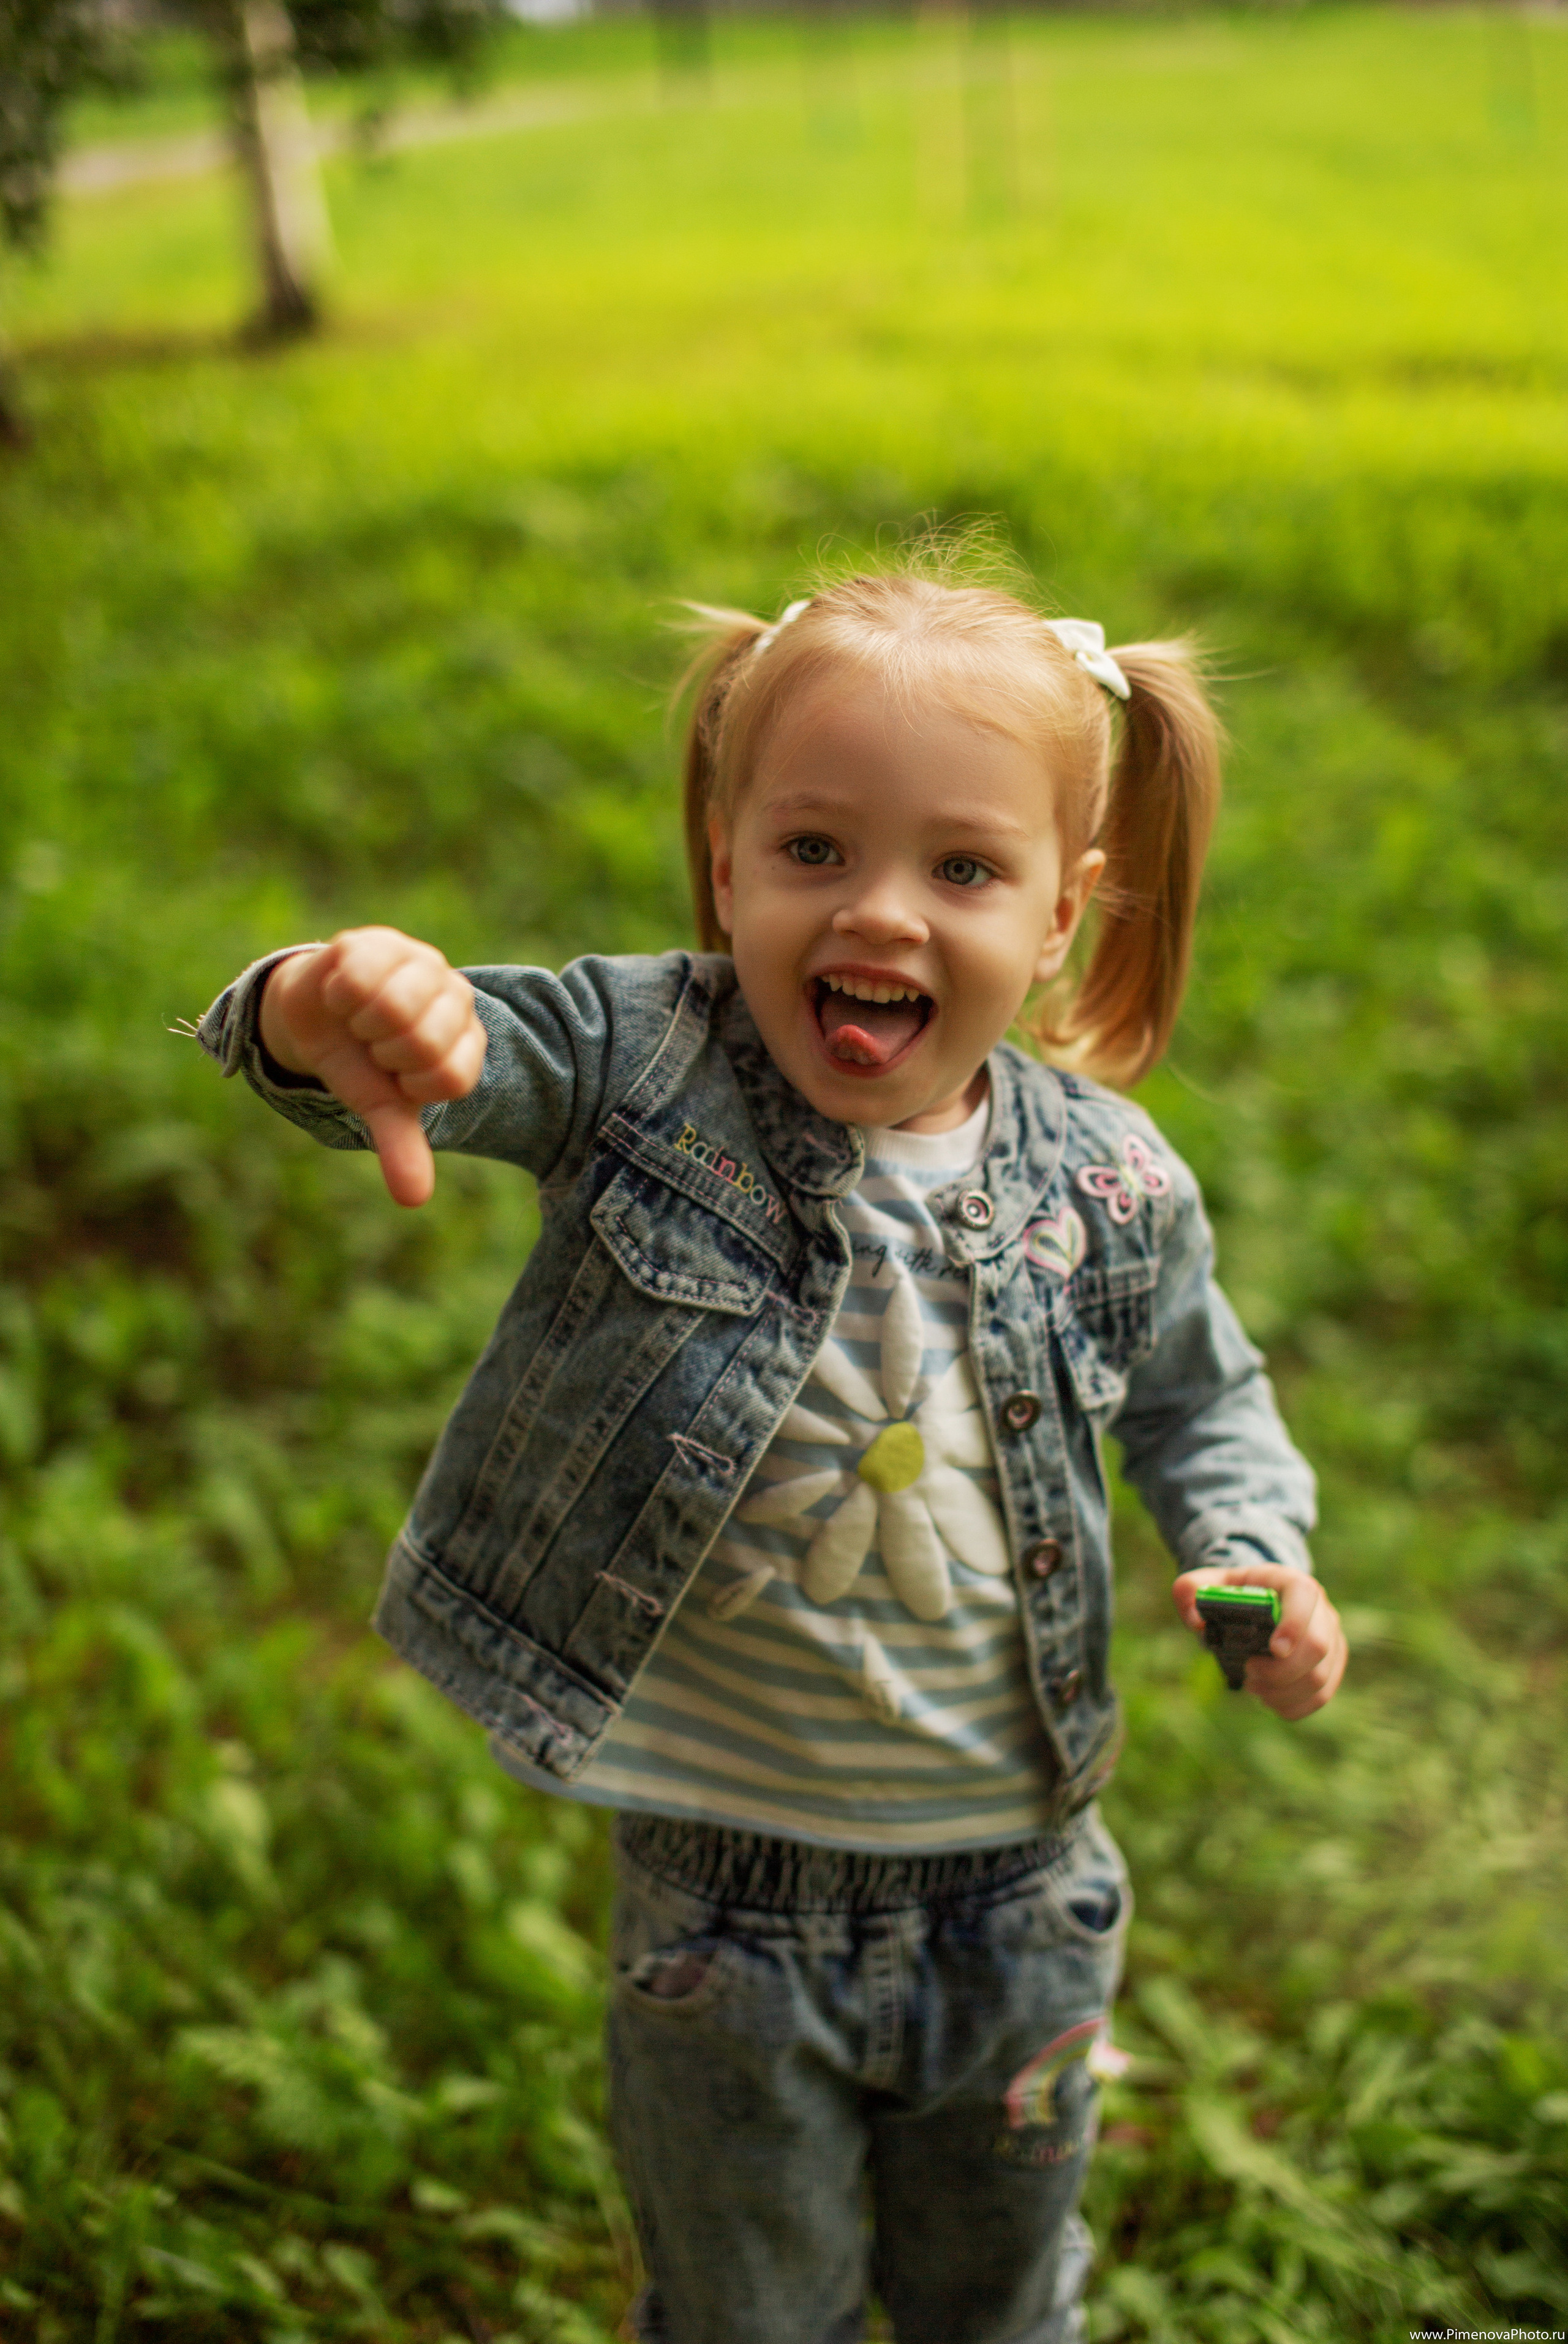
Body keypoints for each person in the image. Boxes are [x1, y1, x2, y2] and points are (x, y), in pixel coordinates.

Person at [197, 560, 1348, 2344]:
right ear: (726, 859)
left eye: (962, 869)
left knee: (1004, 2305)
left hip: (1023, 1905)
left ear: (1062, 915)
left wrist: (1257, 1551)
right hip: (716, 1923)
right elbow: (453, 1050)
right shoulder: (644, 1062)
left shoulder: (1116, 1181)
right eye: (814, 851)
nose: (878, 915)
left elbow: (1204, 1400)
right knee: (745, 2315)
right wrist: (325, 1003)